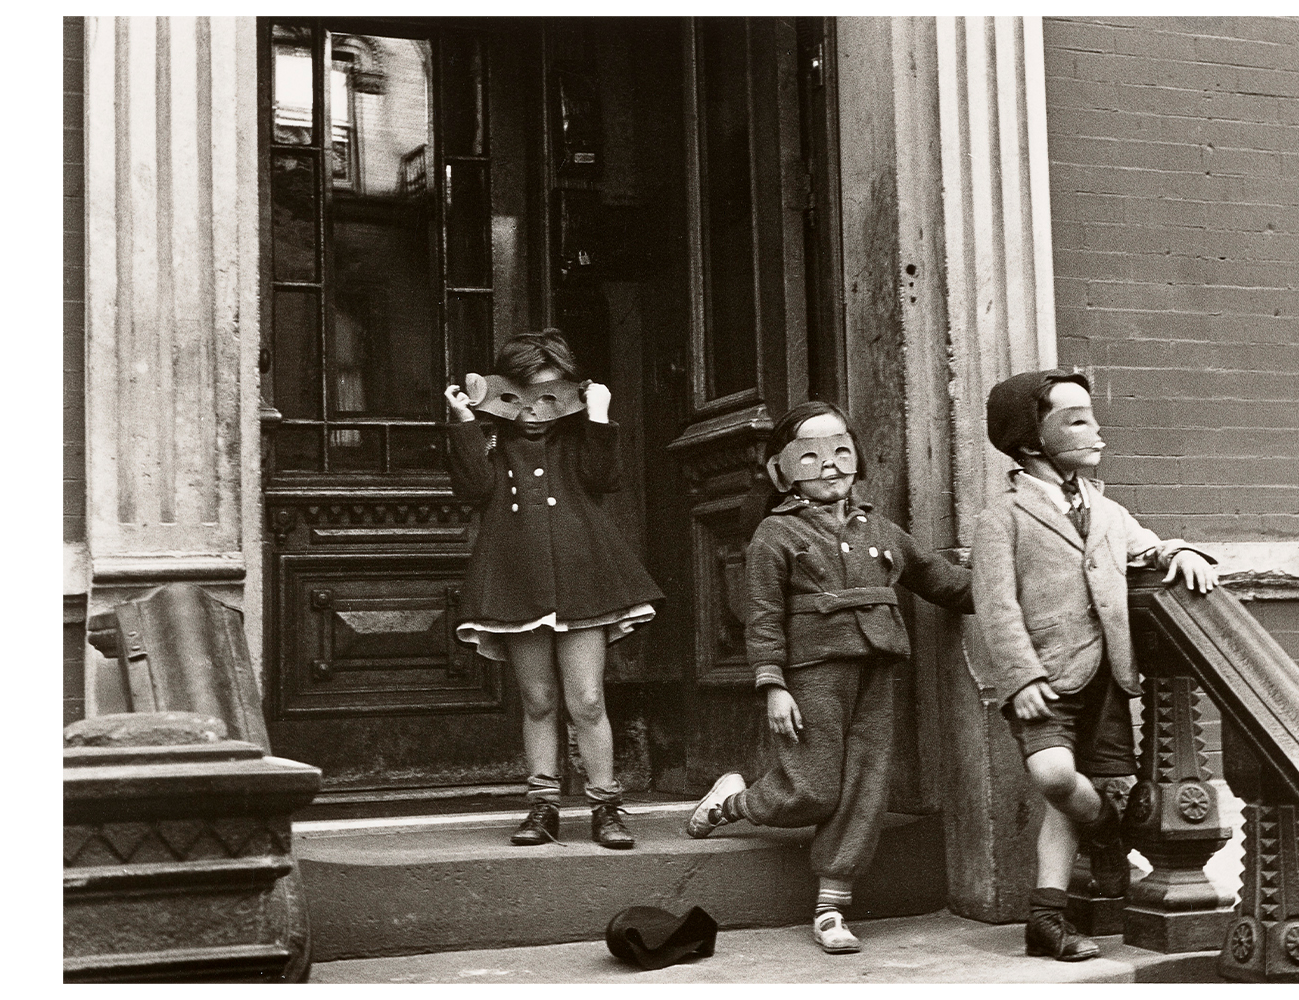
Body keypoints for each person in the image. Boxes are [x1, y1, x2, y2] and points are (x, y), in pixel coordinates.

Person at [685, 401, 974, 954]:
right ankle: (733, 803)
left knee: (865, 786)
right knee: (814, 787)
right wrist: (773, 685)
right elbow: (763, 617)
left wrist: (1011, 588)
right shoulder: (775, 535)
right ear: (782, 471)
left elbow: (941, 582)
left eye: (841, 450)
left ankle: (832, 906)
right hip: (814, 673)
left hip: (878, 668)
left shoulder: (882, 531)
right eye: (811, 456)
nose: (830, 465)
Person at [970, 368, 1219, 961]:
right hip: (1044, 680)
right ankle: (1107, 832)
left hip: (1106, 675)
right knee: (1056, 777)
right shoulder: (1001, 516)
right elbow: (995, 604)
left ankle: (1046, 920)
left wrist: (1178, 550)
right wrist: (1021, 677)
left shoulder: (1107, 509)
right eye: (1076, 419)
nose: (1096, 429)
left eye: (1092, 415)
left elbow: (1144, 545)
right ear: (1033, 442)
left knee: (1075, 793)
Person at [443, 329, 664, 850]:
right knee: (538, 698)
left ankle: (605, 806)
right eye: (518, 395)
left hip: (582, 577)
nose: (533, 411)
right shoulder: (493, 438)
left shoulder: (577, 435)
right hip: (516, 579)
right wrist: (463, 423)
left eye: (547, 395)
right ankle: (542, 807)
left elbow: (604, 478)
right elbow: (474, 490)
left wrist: (599, 417)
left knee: (587, 699)